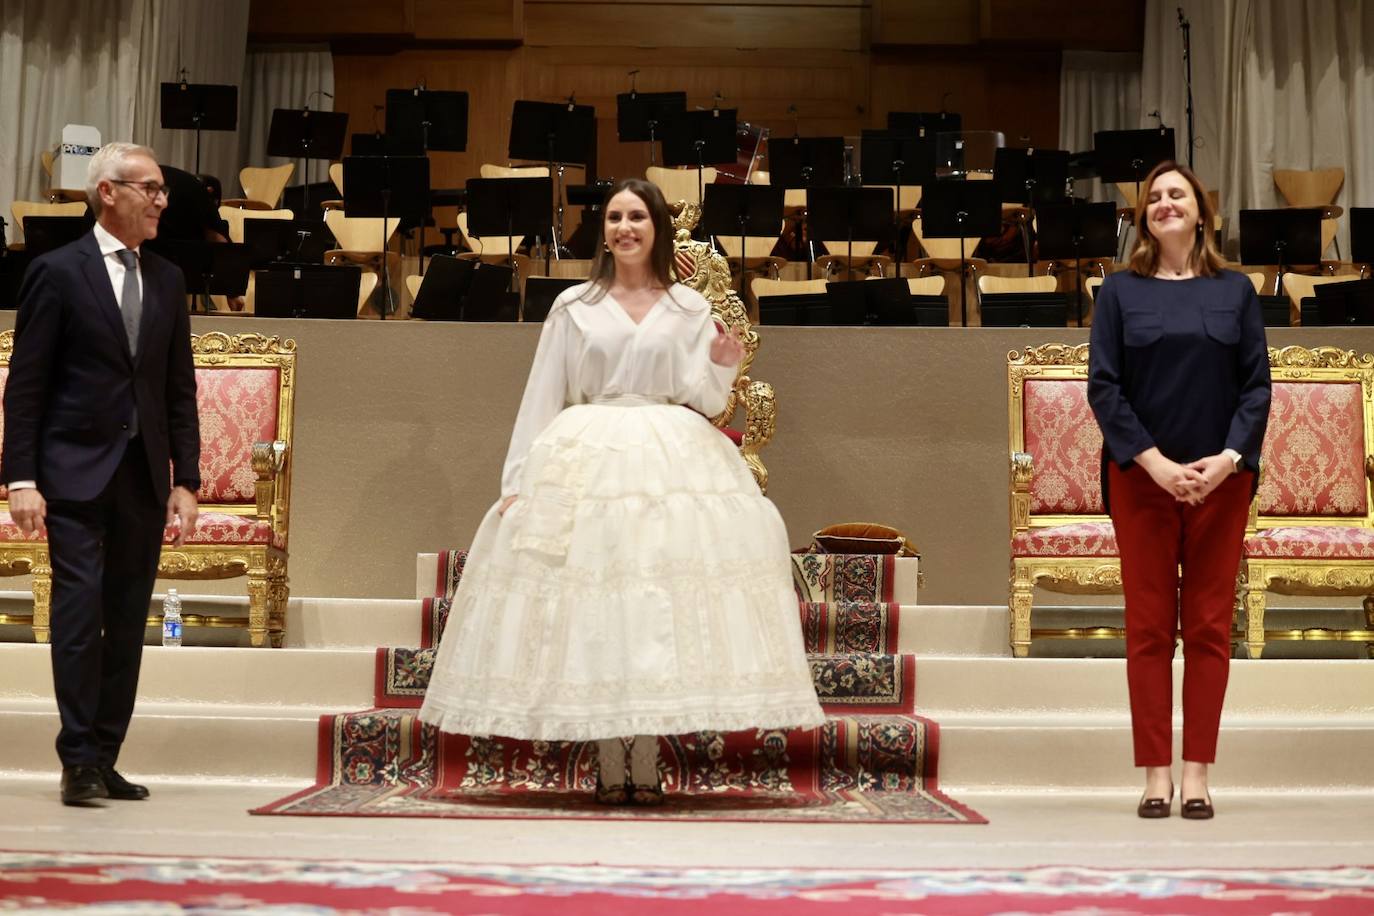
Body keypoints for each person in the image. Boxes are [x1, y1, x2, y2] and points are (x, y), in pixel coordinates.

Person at [418, 177, 824, 804]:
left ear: (657, 228)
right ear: (602, 230)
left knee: (653, 601)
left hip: (672, 454)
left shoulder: (690, 309)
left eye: (637, 216)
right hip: (588, 451)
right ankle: (611, 750)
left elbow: (707, 401)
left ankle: (649, 747)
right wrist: (518, 480)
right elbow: (542, 396)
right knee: (600, 601)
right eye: (613, 217)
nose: (624, 227)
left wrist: (721, 359)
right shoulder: (573, 305)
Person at [2, 142, 201, 806]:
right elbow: (26, 388)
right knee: (80, 615)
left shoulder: (169, 278)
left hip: (142, 476)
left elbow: (179, 389)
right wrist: (21, 478)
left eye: (163, 190)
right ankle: (77, 757)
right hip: (72, 475)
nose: (161, 200)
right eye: (150, 188)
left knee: (127, 617)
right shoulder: (58, 272)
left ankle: (107, 755)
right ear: (108, 193)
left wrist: (188, 478)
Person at [1088, 161, 1270, 820]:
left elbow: (1256, 388)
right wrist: (1156, 464)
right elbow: (1103, 387)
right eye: (1155, 197)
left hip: (1223, 483)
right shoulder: (1118, 292)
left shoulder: (1236, 292)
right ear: (1144, 217)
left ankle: (1197, 774)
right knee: (1148, 631)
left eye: (1178, 195)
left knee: (1210, 630)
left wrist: (1226, 460)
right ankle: (1156, 775)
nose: (1166, 204)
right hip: (1142, 482)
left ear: (1201, 213)